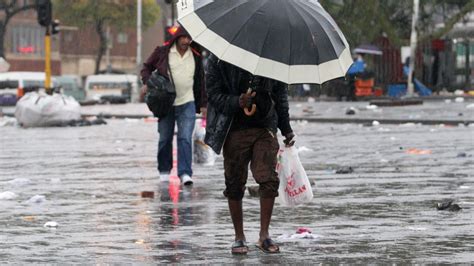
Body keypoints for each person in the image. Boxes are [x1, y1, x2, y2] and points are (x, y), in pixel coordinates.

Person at [204, 54, 295, 254]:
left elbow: (280, 96)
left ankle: (264, 235)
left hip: (264, 128)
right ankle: (239, 236)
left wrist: (286, 128)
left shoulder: (273, 57)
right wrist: (237, 101)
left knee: (269, 179)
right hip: (233, 128)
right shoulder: (219, 58)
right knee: (234, 183)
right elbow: (213, 94)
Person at [140, 26, 206, 185]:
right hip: (166, 104)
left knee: (185, 138)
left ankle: (185, 173)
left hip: (187, 103)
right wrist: (148, 82)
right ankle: (164, 171)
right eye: (183, 37)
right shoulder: (163, 52)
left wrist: (203, 105)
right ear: (177, 37)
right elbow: (146, 68)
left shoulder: (196, 56)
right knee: (165, 138)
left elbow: (200, 82)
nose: (186, 41)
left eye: (189, 38)